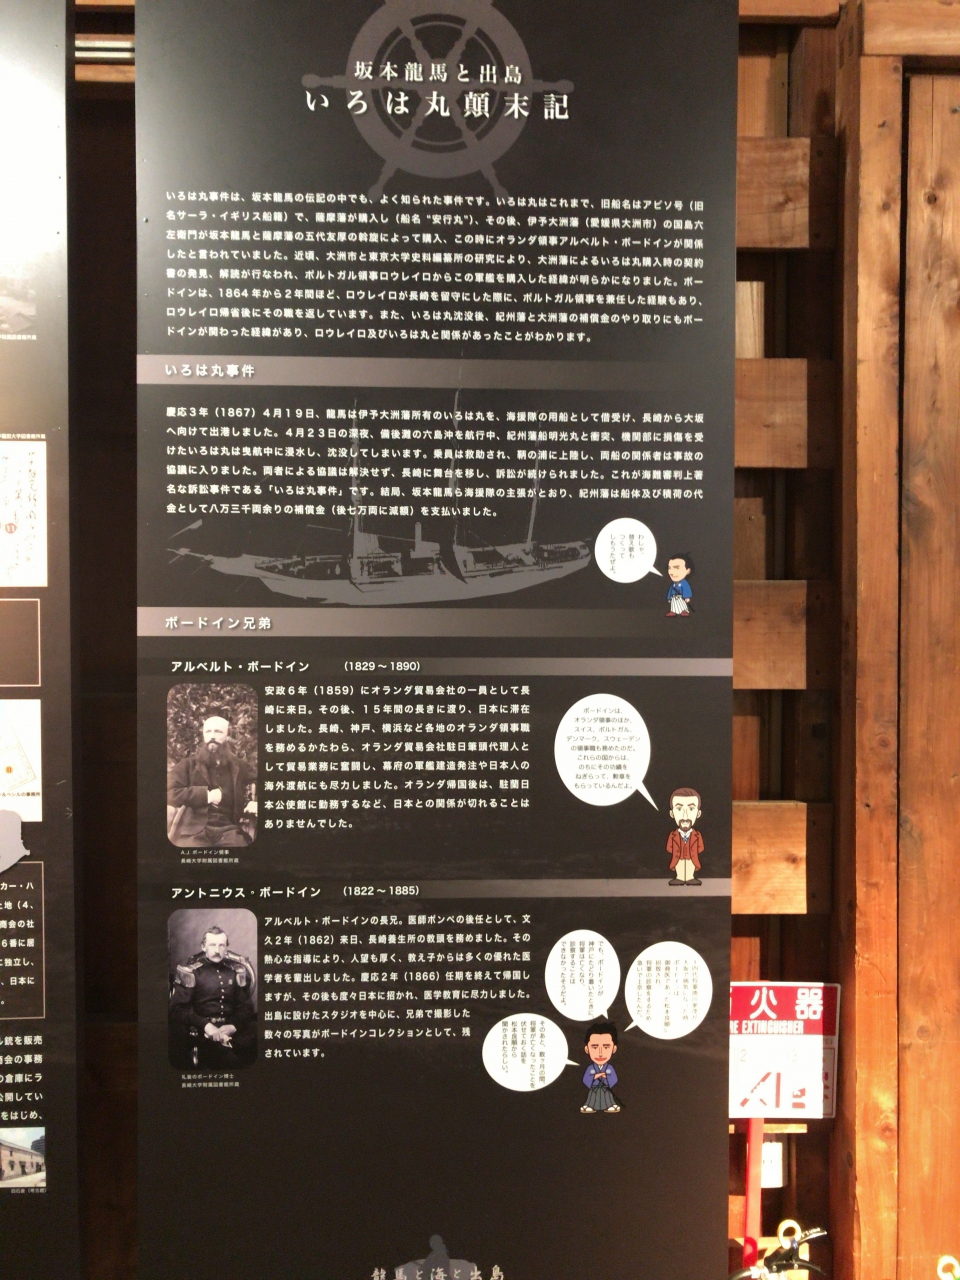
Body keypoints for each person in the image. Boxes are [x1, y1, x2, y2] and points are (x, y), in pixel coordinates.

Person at [169, 925, 256, 1068]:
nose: (217, 950)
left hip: (233, 1030)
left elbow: (246, 1008)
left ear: (226, 947)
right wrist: (206, 1025)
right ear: (204, 947)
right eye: (212, 945)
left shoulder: (235, 971)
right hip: (201, 1033)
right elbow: (177, 1009)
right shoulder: (191, 972)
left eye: (221, 945)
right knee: (229, 1061)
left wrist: (233, 1026)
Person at [167, 709, 257, 847]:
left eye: (218, 732)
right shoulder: (187, 765)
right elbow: (170, 792)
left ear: (227, 736)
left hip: (229, 829)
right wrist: (206, 796)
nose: (212, 736)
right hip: (194, 830)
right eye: (208, 732)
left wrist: (255, 802)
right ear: (204, 735)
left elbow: (262, 783)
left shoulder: (239, 766)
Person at [581, 1019, 620, 1114]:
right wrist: (595, 1076)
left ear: (614, 1048)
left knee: (608, 1097)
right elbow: (586, 1079)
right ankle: (590, 1106)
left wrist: (606, 1077)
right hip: (594, 1089)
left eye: (606, 1047)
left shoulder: (609, 1068)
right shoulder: (591, 1068)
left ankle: (610, 1105)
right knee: (592, 1098)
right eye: (594, 1047)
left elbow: (614, 1079)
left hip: (605, 1089)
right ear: (587, 1049)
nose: (600, 1053)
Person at [667, 786, 704, 885]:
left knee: (690, 865)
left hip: (692, 857)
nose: (685, 815)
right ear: (672, 813)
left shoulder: (697, 835)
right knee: (679, 865)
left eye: (691, 809)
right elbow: (669, 848)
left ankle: (690, 877)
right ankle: (679, 877)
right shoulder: (673, 835)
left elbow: (700, 848)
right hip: (678, 857)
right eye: (679, 809)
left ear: (698, 813)